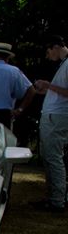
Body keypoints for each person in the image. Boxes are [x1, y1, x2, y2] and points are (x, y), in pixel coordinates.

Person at [31, 35, 68, 213]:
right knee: (49, 157)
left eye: (48, 52)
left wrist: (48, 85)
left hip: (58, 117)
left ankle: (57, 201)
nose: (48, 56)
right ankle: (53, 197)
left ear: (55, 47)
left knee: (53, 158)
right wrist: (47, 90)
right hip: (53, 115)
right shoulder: (64, 64)